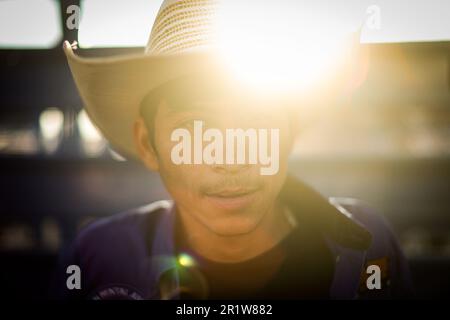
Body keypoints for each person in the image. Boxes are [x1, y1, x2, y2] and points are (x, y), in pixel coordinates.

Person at [56, 0, 413, 299]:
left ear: (288, 133)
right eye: (195, 131)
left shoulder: (369, 243)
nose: (230, 159)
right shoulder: (98, 258)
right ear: (149, 145)